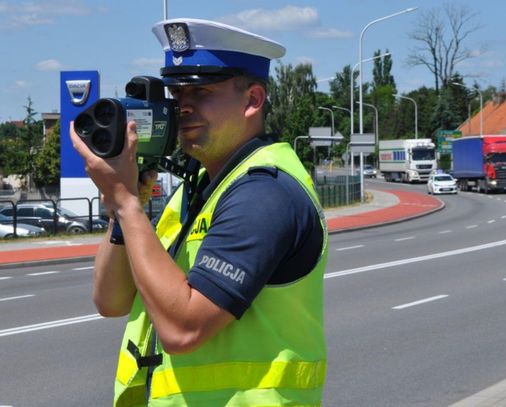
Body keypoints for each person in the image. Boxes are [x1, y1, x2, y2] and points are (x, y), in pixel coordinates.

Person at [70, 18, 328, 406]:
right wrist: (123, 210)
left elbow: (183, 330)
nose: (183, 105)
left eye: (202, 90)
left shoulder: (264, 193)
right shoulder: (198, 189)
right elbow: (111, 300)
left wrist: (125, 201)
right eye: (176, 91)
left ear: (252, 100)